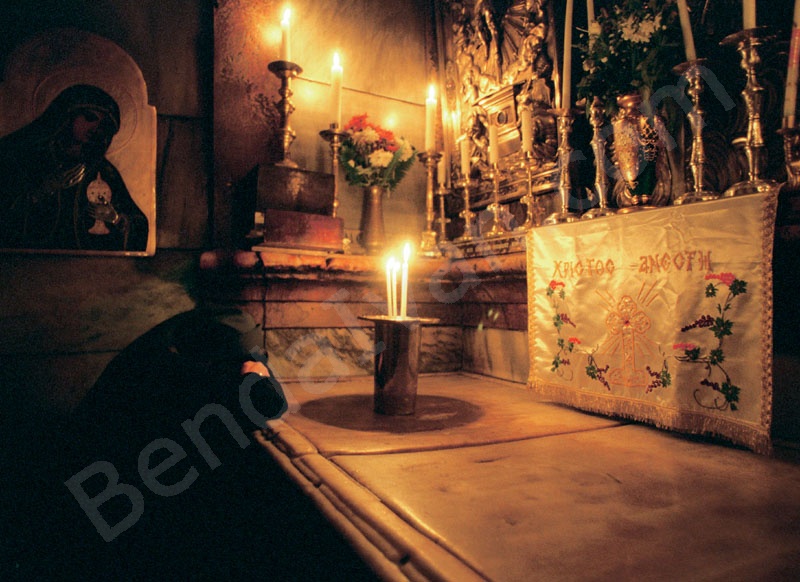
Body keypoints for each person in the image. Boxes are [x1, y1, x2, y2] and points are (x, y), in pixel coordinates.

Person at [0, 84, 148, 251]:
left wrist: (116, 219)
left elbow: (138, 222)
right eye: (89, 117)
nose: (95, 128)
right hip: (28, 263)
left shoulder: (101, 170)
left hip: (84, 267)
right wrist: (41, 191)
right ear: (67, 116)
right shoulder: (23, 158)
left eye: (103, 124)